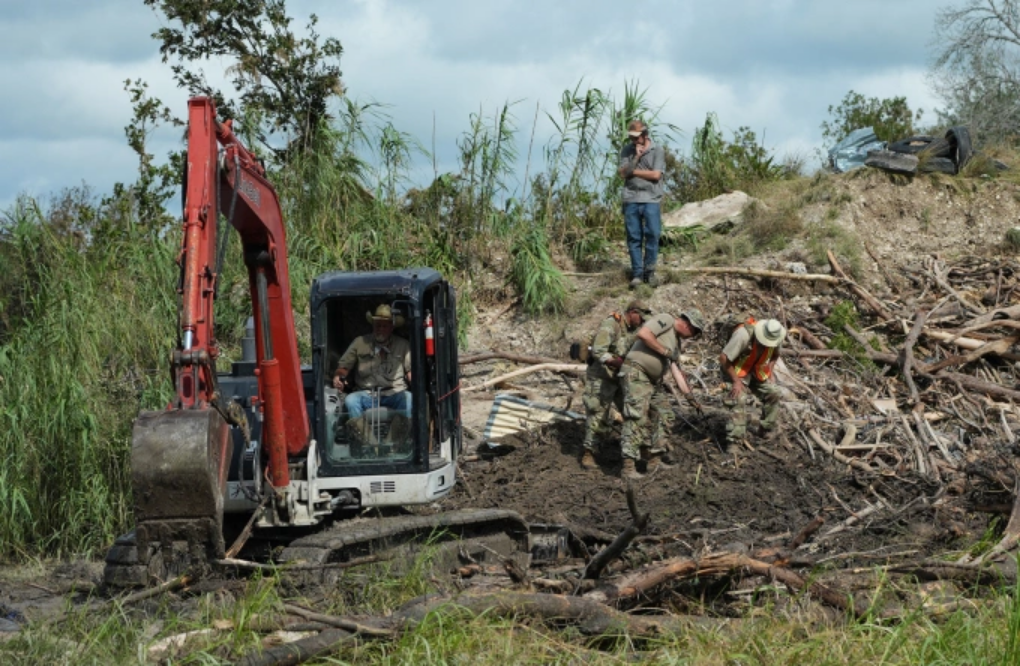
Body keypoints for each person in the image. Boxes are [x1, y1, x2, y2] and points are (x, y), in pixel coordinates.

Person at [618, 309, 706, 479]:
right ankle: (628, 467)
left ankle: (655, 460)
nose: (691, 337)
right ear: (688, 325)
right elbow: (643, 334)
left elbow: (676, 372)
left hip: (653, 381)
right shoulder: (666, 320)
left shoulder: (676, 343)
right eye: (693, 333)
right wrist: (665, 351)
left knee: (665, 414)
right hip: (637, 373)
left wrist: (690, 398)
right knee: (637, 417)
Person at [579, 300, 653, 470]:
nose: (642, 322)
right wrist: (613, 361)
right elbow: (598, 350)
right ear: (633, 312)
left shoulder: (635, 330)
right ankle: (589, 454)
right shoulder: (612, 323)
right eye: (640, 318)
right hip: (601, 376)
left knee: (633, 412)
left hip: (620, 377)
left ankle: (638, 449)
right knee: (597, 414)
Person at [333, 304, 412, 420]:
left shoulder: (403, 345)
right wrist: (338, 376)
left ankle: (402, 435)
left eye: (384, 326)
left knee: (409, 399)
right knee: (351, 401)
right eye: (377, 325)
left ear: (392, 327)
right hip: (367, 394)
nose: (380, 329)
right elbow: (344, 367)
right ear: (372, 326)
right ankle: (362, 437)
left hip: (394, 393)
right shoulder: (359, 342)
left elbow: (410, 372)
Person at [719, 318, 787, 453]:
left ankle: (765, 429)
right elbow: (724, 358)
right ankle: (734, 441)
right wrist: (736, 381)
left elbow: (775, 355)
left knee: (774, 392)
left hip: (756, 370)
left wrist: (770, 372)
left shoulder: (777, 337)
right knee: (738, 398)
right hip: (735, 369)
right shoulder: (743, 335)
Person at [618, 119, 666, 289]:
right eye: (631, 137)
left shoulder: (657, 150)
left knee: (653, 234)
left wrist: (633, 171)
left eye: (636, 137)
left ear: (645, 134)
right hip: (631, 198)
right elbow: (623, 174)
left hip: (651, 198)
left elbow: (656, 175)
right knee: (634, 237)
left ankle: (650, 272)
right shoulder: (627, 151)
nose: (634, 140)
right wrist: (636, 157)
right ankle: (637, 274)